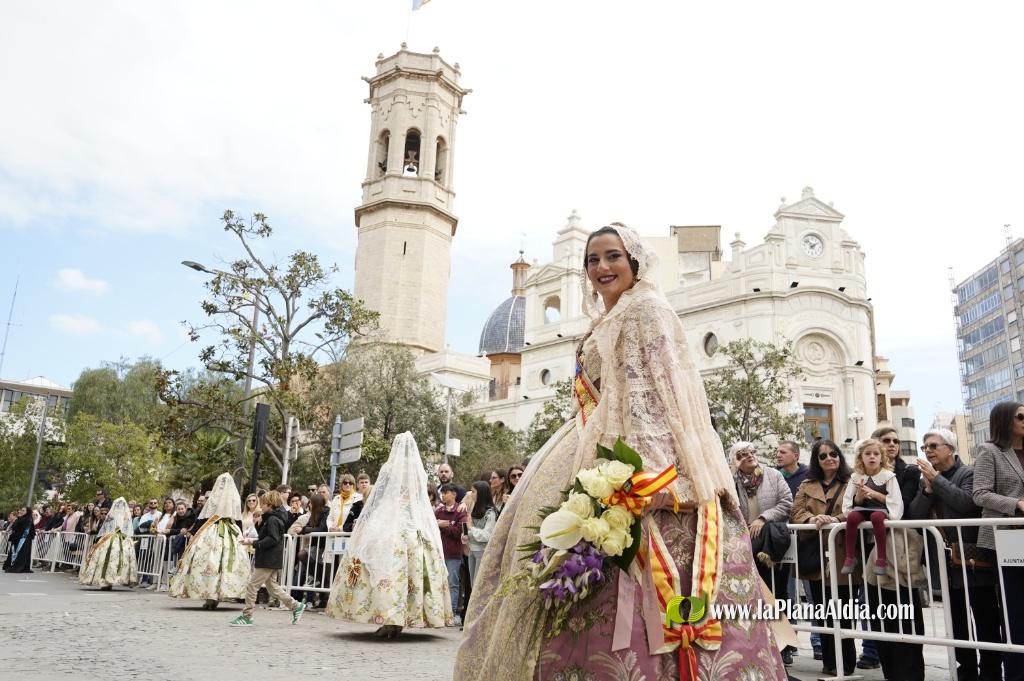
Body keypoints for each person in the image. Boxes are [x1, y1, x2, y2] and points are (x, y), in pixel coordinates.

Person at [456, 223, 786, 681]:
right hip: (588, 442)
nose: (602, 267)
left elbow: (658, 394)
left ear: (634, 261)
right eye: (592, 260)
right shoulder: (604, 319)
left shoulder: (646, 308)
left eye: (612, 256)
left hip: (634, 453)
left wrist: (648, 478)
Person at [325, 432, 453, 639]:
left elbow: (383, 494)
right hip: (411, 523)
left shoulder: (390, 468)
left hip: (395, 520)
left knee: (382, 567)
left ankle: (385, 616)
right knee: (410, 571)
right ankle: (404, 617)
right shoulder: (416, 469)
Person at [908, 428, 1003, 681]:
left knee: (985, 617)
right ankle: (966, 670)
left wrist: (936, 481)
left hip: (974, 560)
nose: (928, 451)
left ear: (950, 449)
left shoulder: (968, 473)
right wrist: (928, 490)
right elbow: (915, 516)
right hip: (945, 561)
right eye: (925, 447)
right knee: (957, 621)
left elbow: (967, 504)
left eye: (933, 446)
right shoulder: (926, 479)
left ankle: (991, 671)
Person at [791, 439, 857, 677]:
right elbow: (796, 510)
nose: (829, 458)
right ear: (816, 461)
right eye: (823, 456)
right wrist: (812, 519)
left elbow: (856, 508)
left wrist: (835, 520)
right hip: (816, 553)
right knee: (821, 609)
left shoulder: (853, 481)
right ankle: (829, 661)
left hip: (842, 552)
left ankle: (845, 662)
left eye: (833, 454)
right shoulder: (806, 484)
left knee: (843, 610)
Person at [973, 401, 1024, 681]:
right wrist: (1016, 504)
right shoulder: (989, 450)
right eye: (1021, 416)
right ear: (1005, 420)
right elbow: (980, 493)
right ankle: (1015, 672)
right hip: (1008, 536)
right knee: (1016, 608)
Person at [170, 473, 251, 610]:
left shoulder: (216, 498)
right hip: (229, 532)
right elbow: (237, 520)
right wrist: (240, 535)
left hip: (212, 531)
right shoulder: (234, 499)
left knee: (211, 562)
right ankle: (214, 596)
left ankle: (211, 597)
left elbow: (203, 518)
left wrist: (193, 532)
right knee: (219, 564)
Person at [231, 490, 306, 627]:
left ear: (270, 504)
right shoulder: (273, 518)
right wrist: (256, 531)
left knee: (252, 586)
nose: (260, 506)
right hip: (272, 558)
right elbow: (268, 537)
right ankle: (296, 605)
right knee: (273, 588)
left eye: (263, 503)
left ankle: (247, 616)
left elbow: (272, 539)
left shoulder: (272, 520)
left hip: (268, 558)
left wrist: (254, 543)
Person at [840, 439, 903, 575]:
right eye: (867, 454)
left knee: (877, 516)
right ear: (861, 458)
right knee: (852, 517)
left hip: (881, 510)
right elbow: (849, 500)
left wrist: (875, 494)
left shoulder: (888, 476)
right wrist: (859, 496)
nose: (872, 457)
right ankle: (850, 557)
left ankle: (881, 558)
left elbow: (896, 500)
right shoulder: (856, 477)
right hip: (863, 510)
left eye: (876, 454)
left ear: (882, 457)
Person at [79, 497, 138, 590]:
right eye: (118, 504)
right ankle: (105, 581)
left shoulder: (125, 515)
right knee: (106, 558)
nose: (120, 506)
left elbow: (126, 528)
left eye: (121, 504)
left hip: (119, 538)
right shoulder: (113, 514)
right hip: (111, 537)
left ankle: (111, 580)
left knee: (114, 559)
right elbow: (106, 527)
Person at [436, 482, 469, 623]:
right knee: (439, 583)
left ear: (454, 494)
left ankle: (452, 613)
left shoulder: (461, 511)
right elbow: (431, 526)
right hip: (439, 553)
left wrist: (444, 525)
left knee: (452, 584)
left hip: (453, 554)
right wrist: (441, 524)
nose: (443, 495)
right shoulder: (438, 511)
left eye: (446, 493)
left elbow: (459, 532)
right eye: (442, 493)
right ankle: (439, 613)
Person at [466, 480, 497, 586]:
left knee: (478, 585)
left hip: (482, 552)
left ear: (481, 493)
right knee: (473, 585)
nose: (471, 494)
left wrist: (471, 528)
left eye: (473, 491)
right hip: (472, 551)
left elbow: (487, 535)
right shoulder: (474, 508)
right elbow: (471, 530)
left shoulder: (490, 513)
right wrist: (466, 535)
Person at [3, 506, 35, 573]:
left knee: (22, 553)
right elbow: (14, 526)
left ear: (27, 512)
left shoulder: (28, 519)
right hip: (17, 538)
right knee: (14, 552)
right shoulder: (20, 518)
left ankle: (20, 567)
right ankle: (11, 565)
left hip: (24, 539)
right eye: (21, 510)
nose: (21, 512)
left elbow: (25, 528)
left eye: (23, 510)